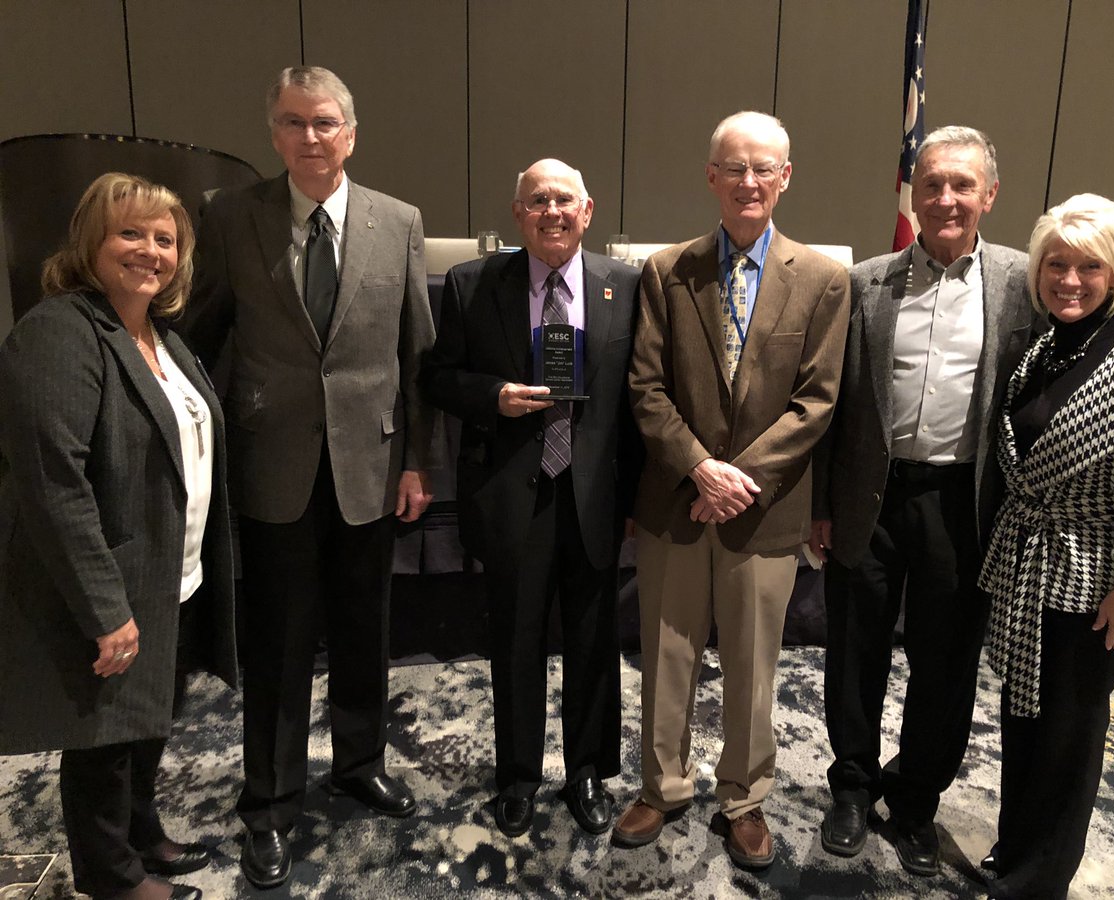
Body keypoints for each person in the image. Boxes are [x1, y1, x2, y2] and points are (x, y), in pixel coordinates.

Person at [181, 66, 437, 889]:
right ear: (275, 134)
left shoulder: (398, 222)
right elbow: (200, 332)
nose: (311, 137)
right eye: (293, 123)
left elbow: (417, 356)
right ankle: (271, 803)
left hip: (370, 466)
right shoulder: (231, 217)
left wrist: (417, 462)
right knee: (281, 643)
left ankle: (359, 763)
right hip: (275, 466)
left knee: (366, 630)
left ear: (351, 133)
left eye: (324, 122)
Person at [616, 111, 850, 869]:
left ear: (785, 178)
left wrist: (737, 479)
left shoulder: (822, 280)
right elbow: (645, 388)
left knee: (754, 667)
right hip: (676, 503)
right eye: (734, 168)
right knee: (666, 653)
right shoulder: (666, 270)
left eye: (764, 168)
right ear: (710, 177)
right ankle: (664, 785)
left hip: (764, 511)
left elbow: (817, 402)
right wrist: (699, 468)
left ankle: (744, 797)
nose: (748, 182)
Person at [0, 173, 238, 900]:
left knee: (146, 721)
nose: (149, 251)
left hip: (174, 570)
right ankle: (112, 879)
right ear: (90, 243)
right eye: (129, 233)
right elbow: (53, 484)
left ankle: (142, 832)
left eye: (164, 239)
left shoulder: (161, 336)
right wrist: (104, 609)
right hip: (114, 581)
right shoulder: (60, 331)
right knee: (101, 739)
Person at [808, 125, 1035, 875]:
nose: (944, 198)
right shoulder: (864, 281)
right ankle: (850, 787)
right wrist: (819, 503)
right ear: (913, 192)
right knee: (853, 650)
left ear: (989, 196)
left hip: (961, 504)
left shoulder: (1023, 283)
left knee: (946, 663)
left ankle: (914, 804)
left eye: (961, 185)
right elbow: (830, 405)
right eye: (931, 183)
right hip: (870, 495)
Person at [979, 194, 1114, 899]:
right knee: (1024, 713)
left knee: (1070, 733)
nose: (1069, 280)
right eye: (1056, 264)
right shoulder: (1045, 346)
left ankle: (1038, 879)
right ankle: (1014, 849)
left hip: (1095, 573)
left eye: (1089, 267)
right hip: (1031, 562)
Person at [421, 159, 640, 838]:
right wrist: (493, 397)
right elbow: (437, 378)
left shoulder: (626, 286)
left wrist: (637, 496)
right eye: (538, 201)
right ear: (518, 215)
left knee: (593, 641)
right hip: (515, 492)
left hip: (596, 494)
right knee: (515, 644)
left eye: (564, 200)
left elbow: (641, 398)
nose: (553, 212)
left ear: (589, 209)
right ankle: (516, 776)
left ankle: (586, 773)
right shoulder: (470, 284)